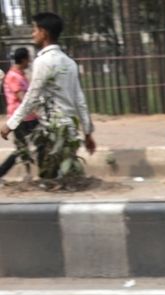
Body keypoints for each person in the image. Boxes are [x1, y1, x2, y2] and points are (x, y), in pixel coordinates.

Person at [0, 12, 96, 162]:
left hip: (51, 131)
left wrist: (11, 124)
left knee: (51, 177)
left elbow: (31, 98)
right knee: (66, 174)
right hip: (70, 131)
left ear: (43, 33)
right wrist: (88, 132)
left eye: (34, 30)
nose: (33, 34)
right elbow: (80, 100)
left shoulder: (43, 62)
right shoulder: (70, 63)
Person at [0, 47, 39, 179]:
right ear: (23, 59)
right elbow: (22, 97)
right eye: (28, 58)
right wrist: (35, 110)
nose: (30, 61)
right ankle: (2, 172)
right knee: (22, 149)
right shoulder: (13, 76)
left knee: (38, 144)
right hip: (20, 118)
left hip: (29, 117)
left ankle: (32, 174)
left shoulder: (21, 74)